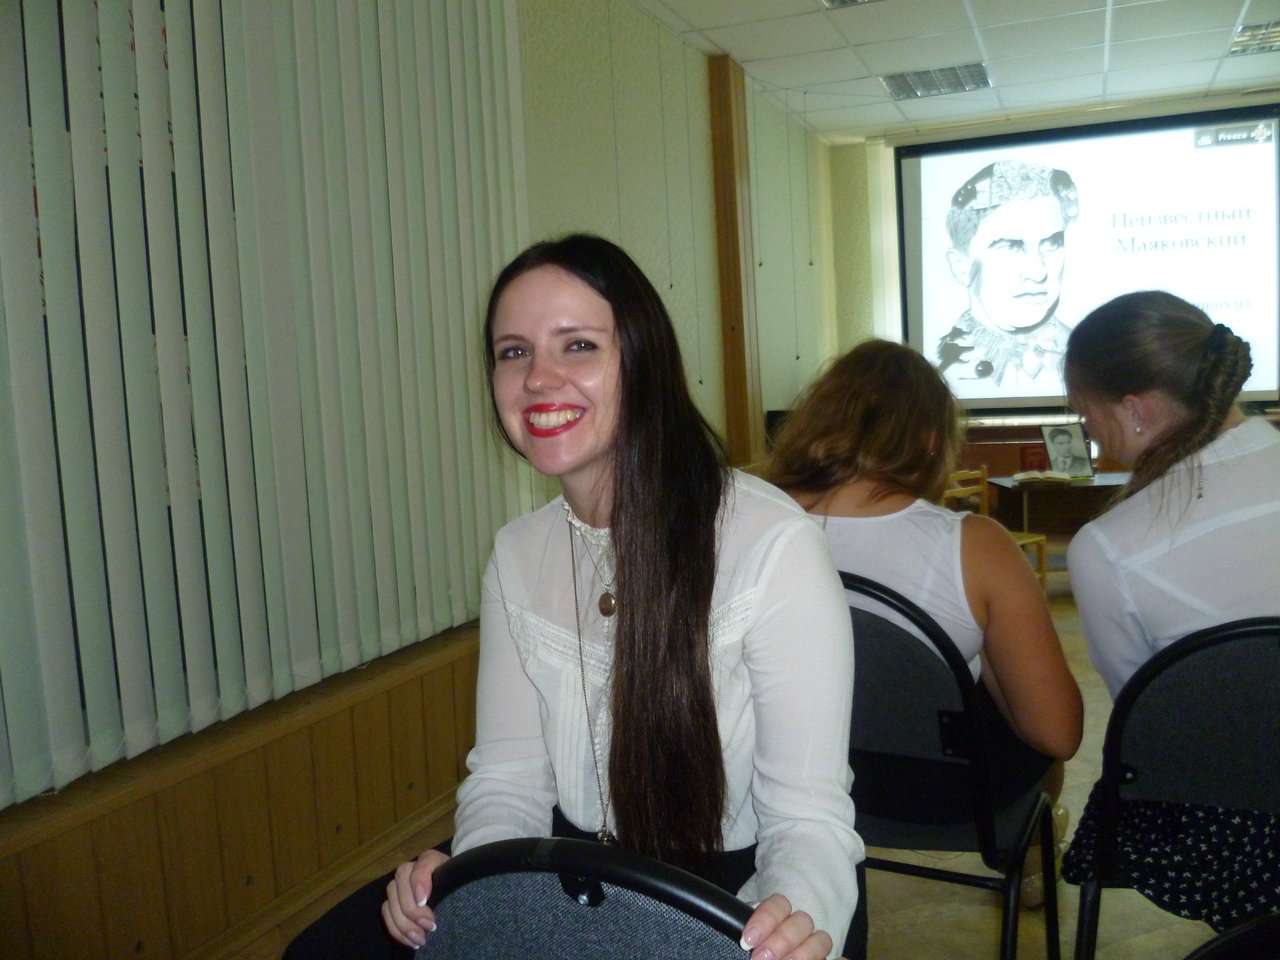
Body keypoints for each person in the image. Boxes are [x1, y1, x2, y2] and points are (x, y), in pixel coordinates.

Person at [285, 234, 864, 960]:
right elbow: (507, 782)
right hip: (567, 878)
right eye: (514, 352)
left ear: (643, 362)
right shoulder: (516, 552)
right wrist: (471, 890)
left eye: (579, 346)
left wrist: (788, 923)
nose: (538, 378)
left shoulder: (773, 544)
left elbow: (808, 823)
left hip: (726, 894)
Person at [764, 338, 1083, 907]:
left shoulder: (746, 520)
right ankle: (1030, 856)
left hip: (782, 785)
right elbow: (1057, 734)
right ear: (932, 441)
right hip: (945, 800)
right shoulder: (975, 545)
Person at [1060, 289, 1280, 930]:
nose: (1089, 434)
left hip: (1230, 824)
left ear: (1135, 410)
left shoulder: (1105, 548)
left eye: (1084, 414)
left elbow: (1152, 718)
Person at [936, 160, 1079, 392]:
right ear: (961, 266)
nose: (1038, 272)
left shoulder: (1092, 357)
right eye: (1011, 246)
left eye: (1053, 243)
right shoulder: (937, 369)